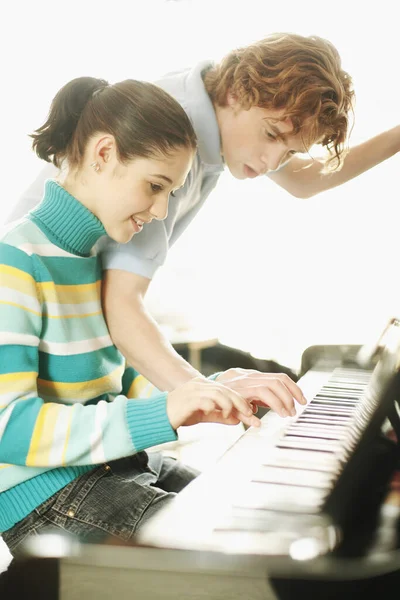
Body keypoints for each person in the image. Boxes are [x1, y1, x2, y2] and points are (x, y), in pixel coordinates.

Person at [0, 75, 309, 557]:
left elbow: (102, 388)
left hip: (112, 466)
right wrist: (163, 410)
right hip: (47, 497)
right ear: (104, 154)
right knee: (240, 558)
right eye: (155, 185)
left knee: (255, 510)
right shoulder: (14, 262)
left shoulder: (85, 254)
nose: (162, 210)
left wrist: (206, 392)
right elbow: (9, 428)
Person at [11, 31, 396, 414]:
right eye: (271, 136)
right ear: (236, 93)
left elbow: (304, 180)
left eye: (290, 151)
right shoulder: (177, 136)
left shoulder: (213, 107)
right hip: (36, 325)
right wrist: (208, 395)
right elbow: (121, 304)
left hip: (78, 336)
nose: (273, 163)